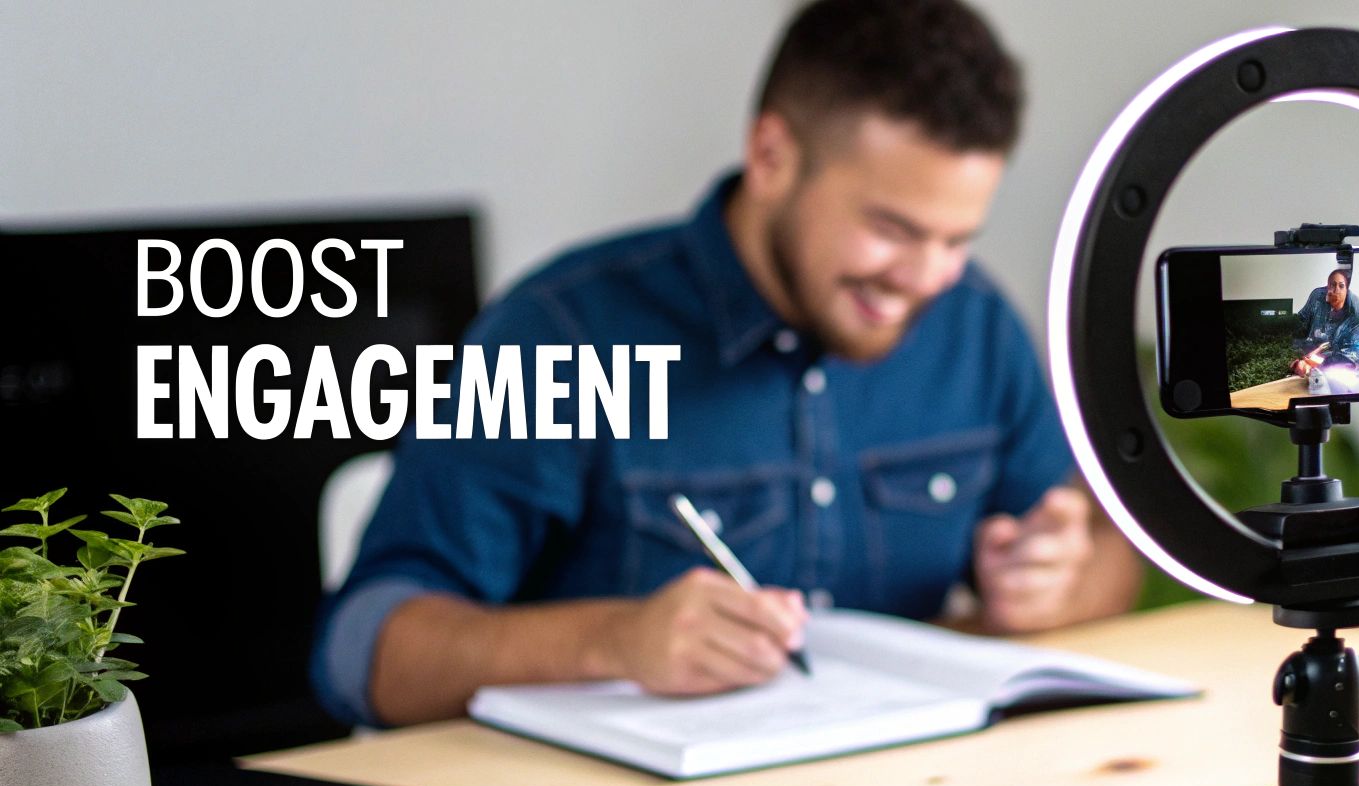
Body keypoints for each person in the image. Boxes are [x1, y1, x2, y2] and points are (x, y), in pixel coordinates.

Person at [311, 0, 1142, 727]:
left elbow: (1107, 556)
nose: (926, 277)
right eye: (891, 229)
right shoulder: (560, 332)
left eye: (957, 239)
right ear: (772, 156)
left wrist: (1055, 585)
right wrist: (616, 641)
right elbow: (365, 655)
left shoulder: (970, 324)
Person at [1289, 268, 1359, 377]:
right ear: (1327, 287)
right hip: (1310, 354)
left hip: (1337, 363)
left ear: (1347, 289)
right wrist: (1295, 356)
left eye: (1341, 286)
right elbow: (1300, 325)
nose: (1336, 290)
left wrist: (1317, 364)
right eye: (1332, 285)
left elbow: (1354, 352)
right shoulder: (1317, 297)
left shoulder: (1356, 313)